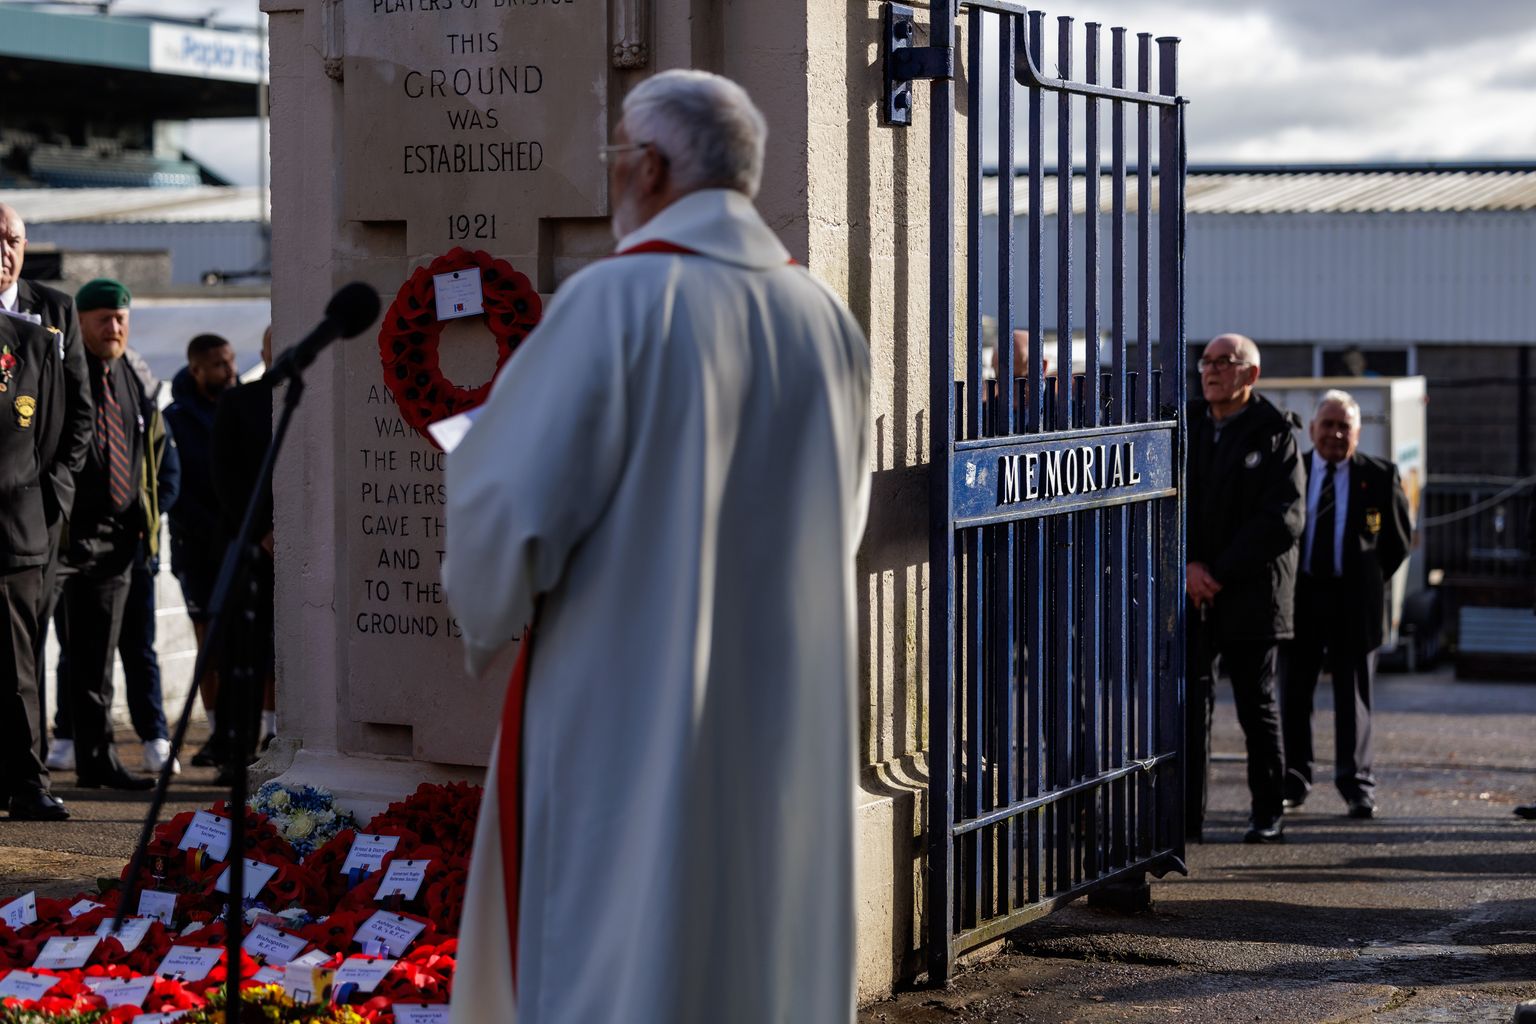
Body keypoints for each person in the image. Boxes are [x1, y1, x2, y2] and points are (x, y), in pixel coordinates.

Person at [443, 70, 871, 1024]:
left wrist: (488, 603)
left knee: (622, 943)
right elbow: (841, 521)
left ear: (648, 166)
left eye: (615, 159)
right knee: (756, 948)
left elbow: (509, 507)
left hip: (625, 704)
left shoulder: (615, 303)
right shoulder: (826, 325)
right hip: (779, 709)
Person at [1185, 333, 1305, 844]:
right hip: (1191, 589)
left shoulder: (1274, 431)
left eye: (1224, 362)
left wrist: (1220, 572)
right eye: (1206, 361)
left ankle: (1266, 810)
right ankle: (1185, 817)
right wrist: (1189, 566)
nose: (1210, 371)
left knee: (1256, 706)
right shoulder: (1185, 422)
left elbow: (1283, 519)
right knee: (1190, 703)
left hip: (1252, 591)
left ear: (1250, 374)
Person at [58, 279, 176, 790]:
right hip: (64, 537)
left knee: (102, 659)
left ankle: (97, 759)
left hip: (121, 541)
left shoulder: (134, 376)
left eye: (121, 318)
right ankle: (30, 763)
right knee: (61, 658)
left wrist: (143, 518)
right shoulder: (63, 372)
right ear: (80, 321)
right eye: (103, 318)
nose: (114, 327)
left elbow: (152, 454)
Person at [1282, 390, 1411, 819]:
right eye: (1328, 425)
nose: (1335, 434)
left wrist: (1367, 582)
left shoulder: (1379, 475)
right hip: (1300, 598)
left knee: (1352, 696)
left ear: (1357, 433)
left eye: (1344, 427)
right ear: (1314, 428)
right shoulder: (1292, 470)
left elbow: (1397, 542)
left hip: (1354, 602)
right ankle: (1295, 779)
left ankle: (1356, 784)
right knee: (1295, 691)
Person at [0, 202, 94, 780]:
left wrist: (51, 496)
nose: (2, 250)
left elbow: (77, 415)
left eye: (11, 238)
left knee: (21, 659)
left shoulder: (54, 312)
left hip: (28, 517)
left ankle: (27, 777)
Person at [0, 312, 79, 819]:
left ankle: (29, 782)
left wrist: (37, 511)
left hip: (9, 529)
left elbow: (49, 440)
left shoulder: (31, 341)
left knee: (14, 667)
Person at [164, 333, 239, 767]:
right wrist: (215, 530)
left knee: (248, 645)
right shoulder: (176, 418)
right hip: (198, 548)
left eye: (230, 362)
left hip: (239, 544)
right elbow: (177, 486)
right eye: (218, 365)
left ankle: (254, 730)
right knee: (209, 644)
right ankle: (215, 733)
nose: (229, 371)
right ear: (197, 370)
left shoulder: (241, 405)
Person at [211, 326, 276, 781]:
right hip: (256, 550)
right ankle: (236, 751)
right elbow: (226, 477)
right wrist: (265, 533)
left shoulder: (323, 399)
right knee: (245, 654)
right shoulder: (239, 403)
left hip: (312, 551)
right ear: (265, 353)